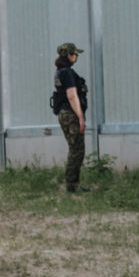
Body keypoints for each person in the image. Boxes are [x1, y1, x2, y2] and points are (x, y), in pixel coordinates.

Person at [51, 42, 88, 195]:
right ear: (69, 55)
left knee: (75, 149)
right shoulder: (68, 73)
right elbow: (72, 96)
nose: (76, 57)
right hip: (70, 114)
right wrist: (80, 116)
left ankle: (72, 184)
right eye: (75, 54)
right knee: (77, 150)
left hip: (63, 114)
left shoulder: (60, 72)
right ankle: (72, 186)